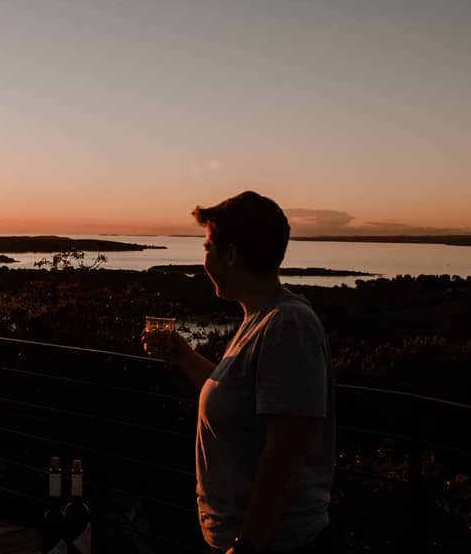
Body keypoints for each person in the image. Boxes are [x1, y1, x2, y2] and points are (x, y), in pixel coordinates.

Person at [143, 191, 335, 554]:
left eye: (207, 246)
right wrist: (185, 356)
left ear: (231, 254)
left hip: (274, 545)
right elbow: (237, 399)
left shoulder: (288, 324)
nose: (203, 258)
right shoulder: (259, 318)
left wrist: (248, 544)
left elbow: (285, 451)